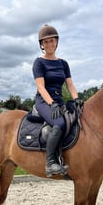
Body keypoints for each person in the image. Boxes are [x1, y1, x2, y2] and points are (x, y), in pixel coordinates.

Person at [32, 24, 83, 177]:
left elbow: (70, 85)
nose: (49, 44)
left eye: (52, 41)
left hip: (59, 101)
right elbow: (41, 87)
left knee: (77, 119)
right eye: (46, 42)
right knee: (59, 123)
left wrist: (77, 99)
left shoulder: (63, 63)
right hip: (44, 101)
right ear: (41, 45)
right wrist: (51, 103)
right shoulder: (39, 62)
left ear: (57, 42)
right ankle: (50, 163)